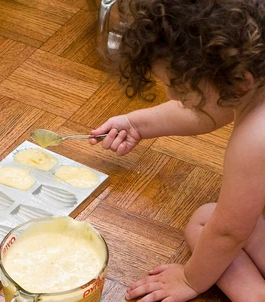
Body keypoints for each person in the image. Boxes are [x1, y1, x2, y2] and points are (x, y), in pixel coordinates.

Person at [89, 0, 265, 301]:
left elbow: (229, 232)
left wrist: (190, 279)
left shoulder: (255, 138)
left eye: (180, 89)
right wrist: (137, 124)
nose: (171, 95)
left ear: (237, 82)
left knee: (208, 223)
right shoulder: (248, 80)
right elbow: (207, 111)